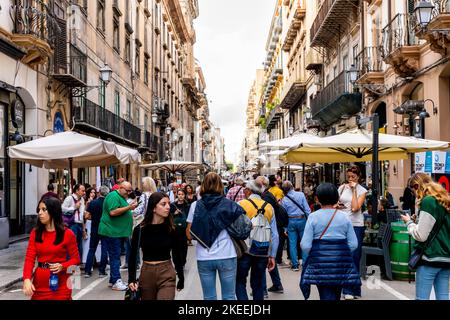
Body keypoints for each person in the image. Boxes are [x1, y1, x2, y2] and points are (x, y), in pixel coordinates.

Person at [186, 172, 247, 300]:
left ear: (203, 186)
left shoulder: (195, 205)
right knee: (229, 296)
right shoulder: (229, 204)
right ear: (220, 185)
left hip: (204, 256)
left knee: (209, 297)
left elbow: (189, 235)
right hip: (227, 254)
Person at [300, 183, 360, 300]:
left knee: (325, 294)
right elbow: (353, 244)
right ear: (337, 198)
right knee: (336, 294)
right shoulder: (344, 217)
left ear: (317, 198)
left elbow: (305, 245)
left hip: (320, 265)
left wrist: (317, 252)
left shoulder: (313, 217)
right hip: (340, 264)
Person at [400, 173, 450, 300]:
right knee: (443, 296)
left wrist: (409, 223)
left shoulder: (428, 201)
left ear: (416, 186)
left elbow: (421, 235)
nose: (414, 195)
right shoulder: (444, 200)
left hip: (429, 258)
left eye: (413, 191)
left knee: (422, 298)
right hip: (446, 258)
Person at [128, 192, 184, 299]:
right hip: (146, 274)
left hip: (166, 273)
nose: (168, 207)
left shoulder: (172, 229)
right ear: (153, 208)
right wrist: (131, 279)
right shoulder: (140, 230)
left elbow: (177, 254)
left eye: (168, 203)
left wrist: (181, 277)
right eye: (163, 204)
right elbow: (133, 255)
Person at [22, 197, 80, 300]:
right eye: (39, 210)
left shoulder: (67, 234)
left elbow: (76, 259)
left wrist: (63, 266)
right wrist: (26, 279)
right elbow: (29, 259)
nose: (40, 213)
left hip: (61, 284)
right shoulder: (35, 233)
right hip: (40, 284)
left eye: (44, 209)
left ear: (53, 211)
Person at [236, 180, 278, 301]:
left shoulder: (241, 204)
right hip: (262, 250)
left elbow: (235, 228)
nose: (244, 191)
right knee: (258, 283)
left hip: (245, 250)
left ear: (249, 190)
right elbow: (274, 234)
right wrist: (272, 256)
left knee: (239, 281)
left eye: (245, 189)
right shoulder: (269, 207)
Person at [98, 181, 138, 291]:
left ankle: (113, 280)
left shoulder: (120, 196)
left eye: (130, 190)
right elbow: (113, 212)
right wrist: (129, 208)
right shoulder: (113, 196)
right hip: (111, 231)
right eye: (127, 190)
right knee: (115, 256)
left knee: (115, 255)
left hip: (116, 231)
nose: (129, 193)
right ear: (120, 188)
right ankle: (116, 281)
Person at [337, 166, 367, 300]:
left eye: (353, 177)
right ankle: (346, 288)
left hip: (356, 226)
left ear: (358, 177)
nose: (350, 179)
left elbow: (355, 207)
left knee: (354, 256)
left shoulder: (362, 190)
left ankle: (353, 289)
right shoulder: (342, 188)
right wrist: (338, 205)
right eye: (348, 177)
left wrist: (354, 190)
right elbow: (335, 203)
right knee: (344, 256)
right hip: (342, 224)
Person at [257, 176, 285, 294]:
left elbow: (267, 216)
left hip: (267, 230)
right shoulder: (268, 195)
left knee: (262, 259)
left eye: (257, 184)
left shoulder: (265, 197)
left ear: (262, 184)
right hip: (271, 229)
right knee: (268, 259)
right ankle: (277, 284)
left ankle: (262, 289)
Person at [280, 181, 311, 271]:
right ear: (292, 187)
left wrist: (285, 227)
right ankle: (305, 264)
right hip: (302, 220)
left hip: (290, 221)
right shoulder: (301, 195)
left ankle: (295, 265)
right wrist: (310, 220)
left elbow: (284, 214)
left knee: (292, 243)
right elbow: (307, 209)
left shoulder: (284, 199)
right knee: (304, 242)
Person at [83, 185, 109, 278]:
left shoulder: (93, 203)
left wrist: (92, 217)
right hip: (105, 228)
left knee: (92, 249)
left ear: (99, 192)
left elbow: (86, 216)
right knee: (104, 250)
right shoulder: (108, 203)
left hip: (94, 228)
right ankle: (102, 271)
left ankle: (87, 271)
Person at [170, 188, 190, 282]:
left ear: (184, 195)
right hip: (175, 229)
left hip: (184, 229)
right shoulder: (172, 205)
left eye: (182, 194)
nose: (180, 196)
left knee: (183, 247)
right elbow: (169, 216)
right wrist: (174, 213)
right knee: (175, 248)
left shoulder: (187, 205)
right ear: (177, 195)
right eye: (179, 194)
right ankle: (177, 264)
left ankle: (182, 263)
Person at [61, 184, 87, 260]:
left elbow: (81, 214)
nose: (84, 192)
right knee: (71, 245)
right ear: (77, 191)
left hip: (79, 224)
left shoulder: (82, 199)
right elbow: (62, 209)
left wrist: (83, 229)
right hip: (72, 224)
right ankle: (69, 263)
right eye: (82, 191)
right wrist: (74, 207)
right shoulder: (69, 198)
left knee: (79, 245)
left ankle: (77, 263)